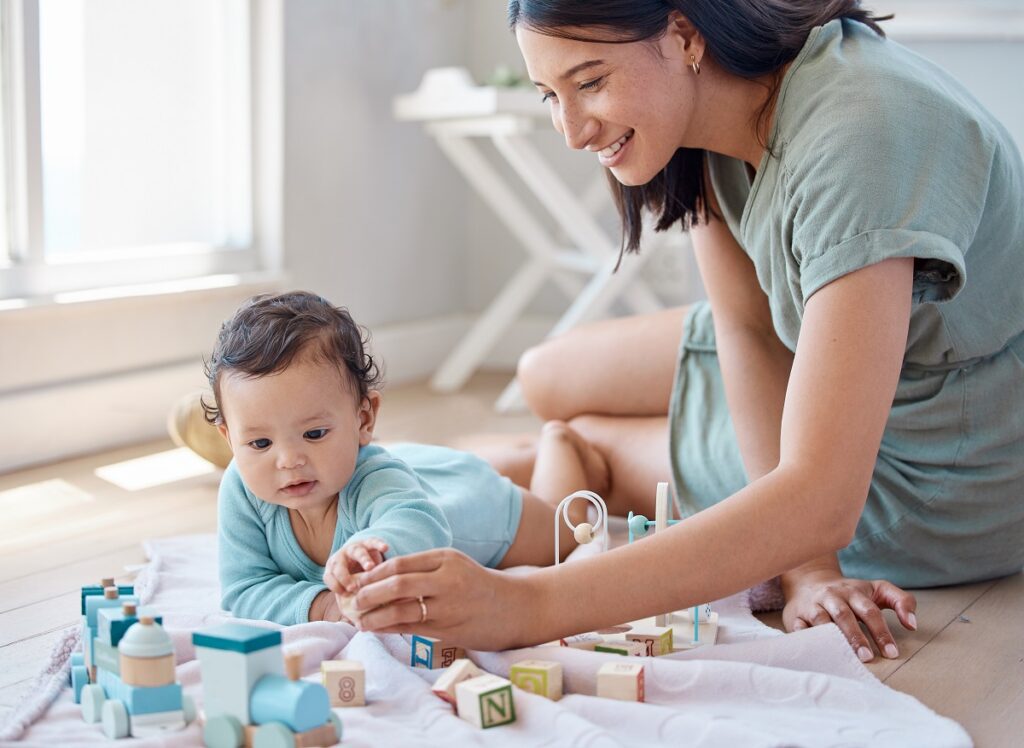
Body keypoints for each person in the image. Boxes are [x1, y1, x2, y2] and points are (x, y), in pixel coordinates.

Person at [343, 0, 1024, 661]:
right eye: (550, 94)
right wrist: (803, 564)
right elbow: (749, 333)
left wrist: (529, 605)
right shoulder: (716, 115)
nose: (574, 130)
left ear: (684, 35)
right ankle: (534, 458)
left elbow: (821, 500)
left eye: (590, 82)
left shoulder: (861, 131)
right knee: (545, 374)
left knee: (586, 437)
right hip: (835, 341)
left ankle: (557, 458)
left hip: (954, 460)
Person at [205, 291, 607, 625]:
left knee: (571, 529)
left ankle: (559, 441)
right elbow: (244, 588)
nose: (288, 460)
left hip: (481, 506)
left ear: (364, 418)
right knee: (416, 469)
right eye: (259, 443)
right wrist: (321, 605)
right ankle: (518, 453)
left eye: (313, 434)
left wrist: (370, 550)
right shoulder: (242, 488)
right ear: (228, 438)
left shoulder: (377, 480)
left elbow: (419, 527)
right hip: (414, 469)